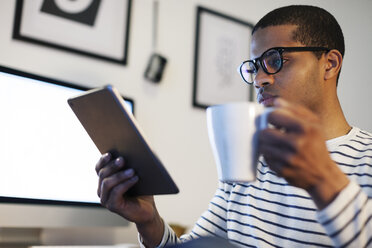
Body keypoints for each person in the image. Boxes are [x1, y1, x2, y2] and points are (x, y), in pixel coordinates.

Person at [95, 5, 372, 247]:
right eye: (255, 66)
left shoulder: (367, 159)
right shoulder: (253, 161)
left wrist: (323, 178)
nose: (260, 79)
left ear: (330, 64)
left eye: (275, 60)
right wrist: (149, 221)